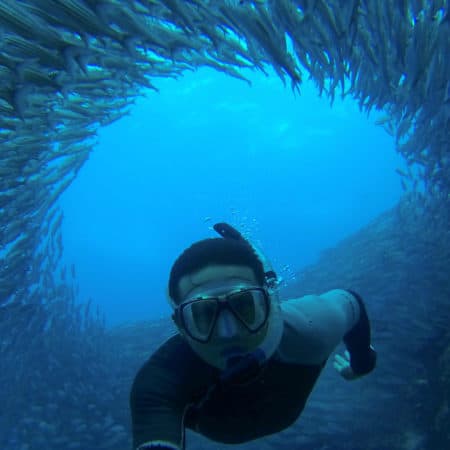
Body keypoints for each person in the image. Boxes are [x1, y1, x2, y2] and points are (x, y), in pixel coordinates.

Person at [130, 223, 377, 450]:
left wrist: (361, 364)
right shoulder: (161, 382)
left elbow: (352, 303)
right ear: (181, 326)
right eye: (204, 314)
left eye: (244, 305)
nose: (228, 332)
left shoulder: (310, 328)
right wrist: (361, 364)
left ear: (269, 304)